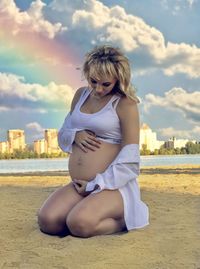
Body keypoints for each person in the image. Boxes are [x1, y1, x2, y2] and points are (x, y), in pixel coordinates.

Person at [37, 45, 149, 238]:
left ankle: (125, 220)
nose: (98, 89)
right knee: (48, 221)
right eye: (93, 81)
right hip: (80, 184)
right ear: (87, 74)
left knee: (79, 224)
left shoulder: (125, 104)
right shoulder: (80, 95)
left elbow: (130, 159)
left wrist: (96, 184)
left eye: (106, 84)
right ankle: (86, 209)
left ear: (118, 79)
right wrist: (76, 134)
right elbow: (64, 133)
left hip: (112, 186)